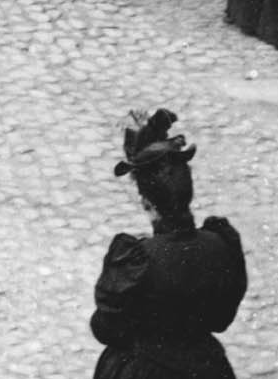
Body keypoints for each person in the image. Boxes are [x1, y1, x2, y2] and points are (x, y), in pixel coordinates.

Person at [90, 108, 246, 379]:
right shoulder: (220, 243)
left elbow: (105, 328)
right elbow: (221, 320)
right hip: (206, 368)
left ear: (147, 203)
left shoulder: (135, 260)